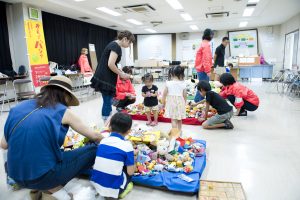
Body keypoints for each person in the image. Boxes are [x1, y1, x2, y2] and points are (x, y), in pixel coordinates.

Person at [0, 76, 103, 200]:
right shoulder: (63, 111)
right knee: (94, 149)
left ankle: (39, 189)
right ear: (65, 95)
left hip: (15, 175)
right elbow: (95, 136)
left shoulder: (17, 108)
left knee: (44, 154)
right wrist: (113, 139)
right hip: (43, 176)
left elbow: (4, 144)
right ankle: (54, 191)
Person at [91, 30, 135, 122]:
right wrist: (121, 73)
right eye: (129, 42)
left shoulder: (114, 45)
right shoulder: (116, 46)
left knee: (107, 100)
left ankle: (108, 120)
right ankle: (106, 122)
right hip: (105, 77)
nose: (129, 45)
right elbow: (110, 64)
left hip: (106, 76)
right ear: (125, 39)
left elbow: (112, 63)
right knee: (107, 101)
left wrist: (121, 72)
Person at [91, 113, 135, 199]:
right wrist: (134, 157)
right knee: (129, 170)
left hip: (96, 184)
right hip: (115, 190)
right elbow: (130, 172)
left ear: (110, 127)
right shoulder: (128, 145)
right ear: (129, 131)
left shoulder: (103, 141)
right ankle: (123, 190)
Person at [162, 66, 187, 133]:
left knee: (173, 119)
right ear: (181, 74)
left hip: (171, 102)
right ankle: (179, 130)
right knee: (179, 118)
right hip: (180, 102)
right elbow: (185, 95)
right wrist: (184, 103)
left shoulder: (168, 83)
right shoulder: (183, 84)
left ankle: (174, 132)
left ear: (171, 74)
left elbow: (164, 94)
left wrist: (163, 103)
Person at [194, 28, 214, 103]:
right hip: (203, 69)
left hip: (201, 69)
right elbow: (205, 59)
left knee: (201, 87)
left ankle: (197, 101)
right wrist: (208, 70)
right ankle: (199, 103)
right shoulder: (206, 45)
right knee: (204, 88)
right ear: (210, 35)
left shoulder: (203, 43)